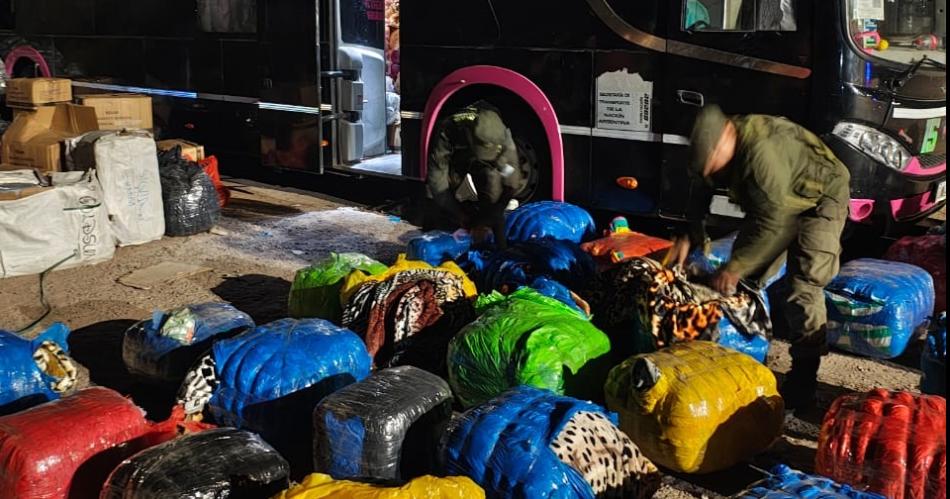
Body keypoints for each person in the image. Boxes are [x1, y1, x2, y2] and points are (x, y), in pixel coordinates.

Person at [666, 105, 850, 413]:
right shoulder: (717, 147)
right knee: (749, 280)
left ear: (726, 137)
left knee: (803, 285)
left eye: (714, 163)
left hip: (820, 198)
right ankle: (748, 351)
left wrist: (735, 267)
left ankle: (804, 379)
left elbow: (776, 222)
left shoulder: (761, 155)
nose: (714, 171)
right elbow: (700, 192)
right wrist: (689, 235)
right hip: (776, 203)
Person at [426, 101, 532, 249]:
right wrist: (459, 214)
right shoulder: (448, 131)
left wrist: (499, 207)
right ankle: (456, 228)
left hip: (488, 157)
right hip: (459, 158)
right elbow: (438, 181)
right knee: (445, 197)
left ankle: (492, 236)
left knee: (493, 186)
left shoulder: (502, 135)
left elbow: (511, 172)